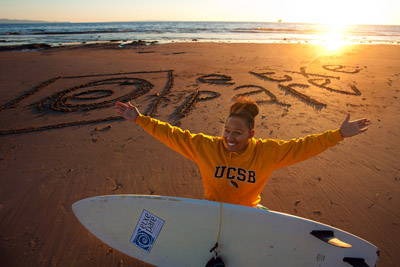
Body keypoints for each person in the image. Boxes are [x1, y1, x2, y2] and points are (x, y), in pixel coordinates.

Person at [115, 97, 370, 208]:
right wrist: (140, 119)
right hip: (210, 208)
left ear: (251, 134)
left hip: (249, 212)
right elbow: (173, 135)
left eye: (237, 133)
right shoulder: (206, 147)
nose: (229, 138)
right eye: (226, 131)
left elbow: (302, 147)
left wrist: (338, 135)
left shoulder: (268, 153)